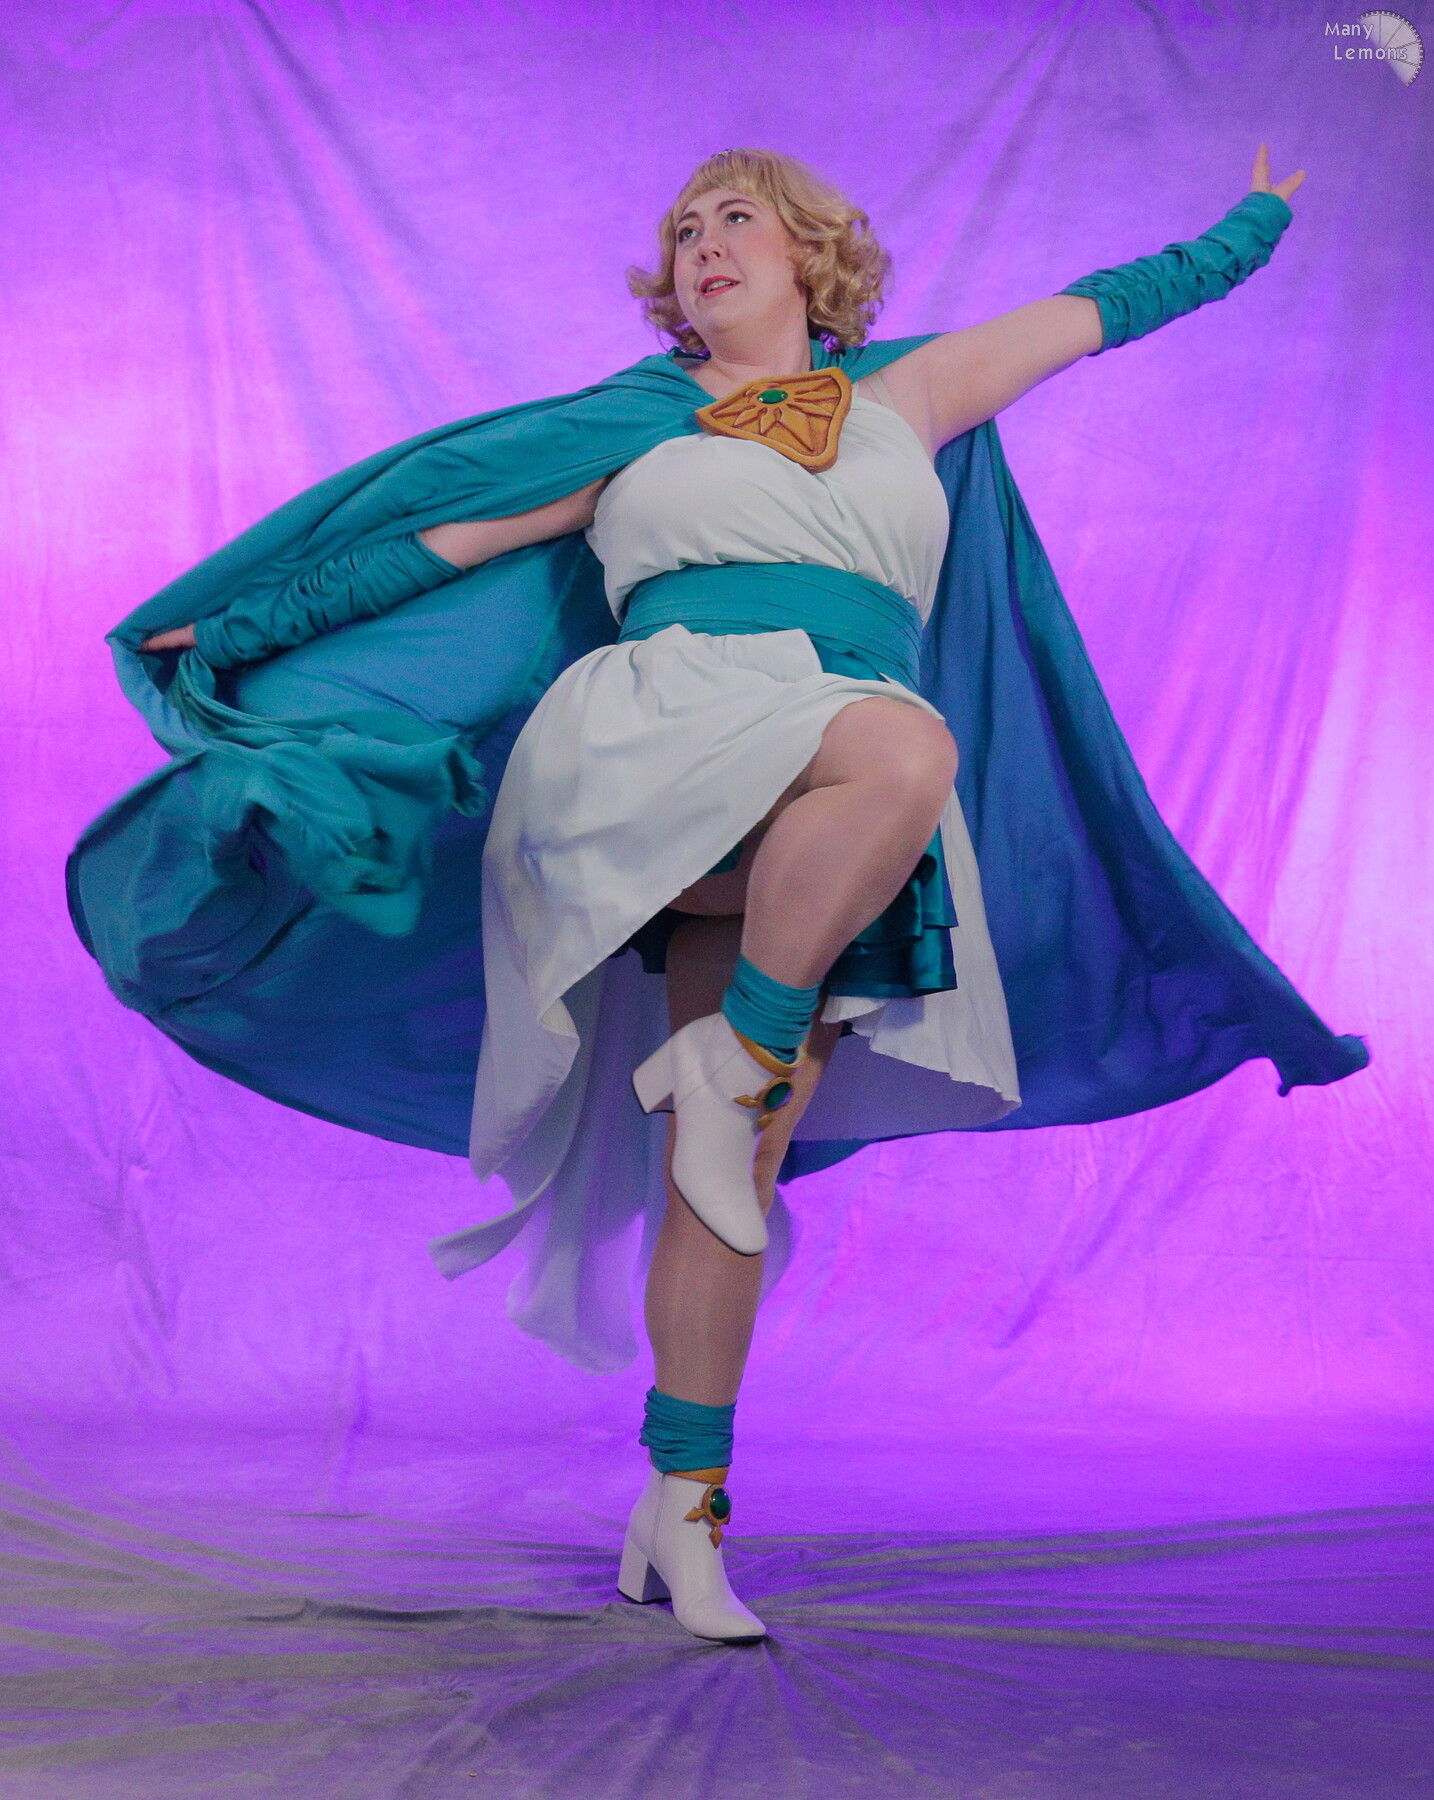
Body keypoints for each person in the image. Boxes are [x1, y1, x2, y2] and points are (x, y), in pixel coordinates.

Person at [86, 144, 1362, 1646]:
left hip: (824, 802)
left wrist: (1258, 218)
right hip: (660, 744)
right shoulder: (629, 428)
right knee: (907, 752)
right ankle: (738, 1050)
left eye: (734, 218)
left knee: (730, 1164)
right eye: (683, 229)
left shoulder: (913, 392)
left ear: (810, 252)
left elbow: (1107, 305)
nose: (702, 243)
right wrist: (230, 629)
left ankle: (680, 1510)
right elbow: (427, 542)